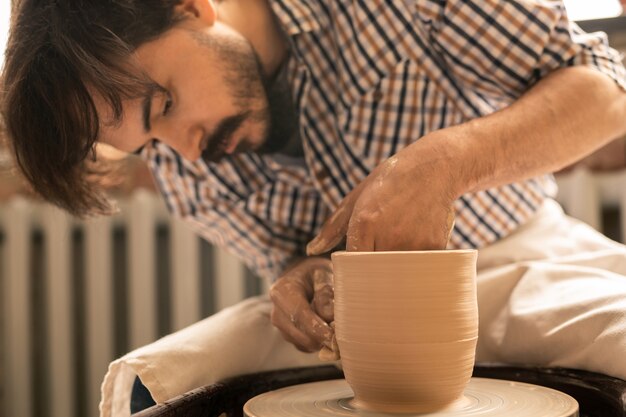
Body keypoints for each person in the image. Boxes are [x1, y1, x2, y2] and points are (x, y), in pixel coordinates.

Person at [3, 0, 626, 415]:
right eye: (149, 146)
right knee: (155, 381)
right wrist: (300, 281)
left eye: (163, 105)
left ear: (191, 6)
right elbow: (298, 265)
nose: (186, 154)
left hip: (527, 257)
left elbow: (606, 84)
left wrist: (452, 160)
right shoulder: (185, 170)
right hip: (367, 318)